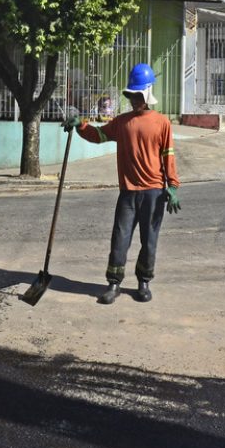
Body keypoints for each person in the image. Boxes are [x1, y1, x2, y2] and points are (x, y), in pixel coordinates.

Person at [63, 63, 180, 305]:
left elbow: (168, 156)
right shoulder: (122, 122)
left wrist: (173, 186)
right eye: (131, 95)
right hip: (128, 193)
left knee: (149, 241)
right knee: (120, 239)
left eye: (138, 95)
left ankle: (143, 282)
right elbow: (99, 136)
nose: (135, 100)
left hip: (154, 193)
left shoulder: (162, 123)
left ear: (147, 94)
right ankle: (113, 284)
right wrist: (81, 125)